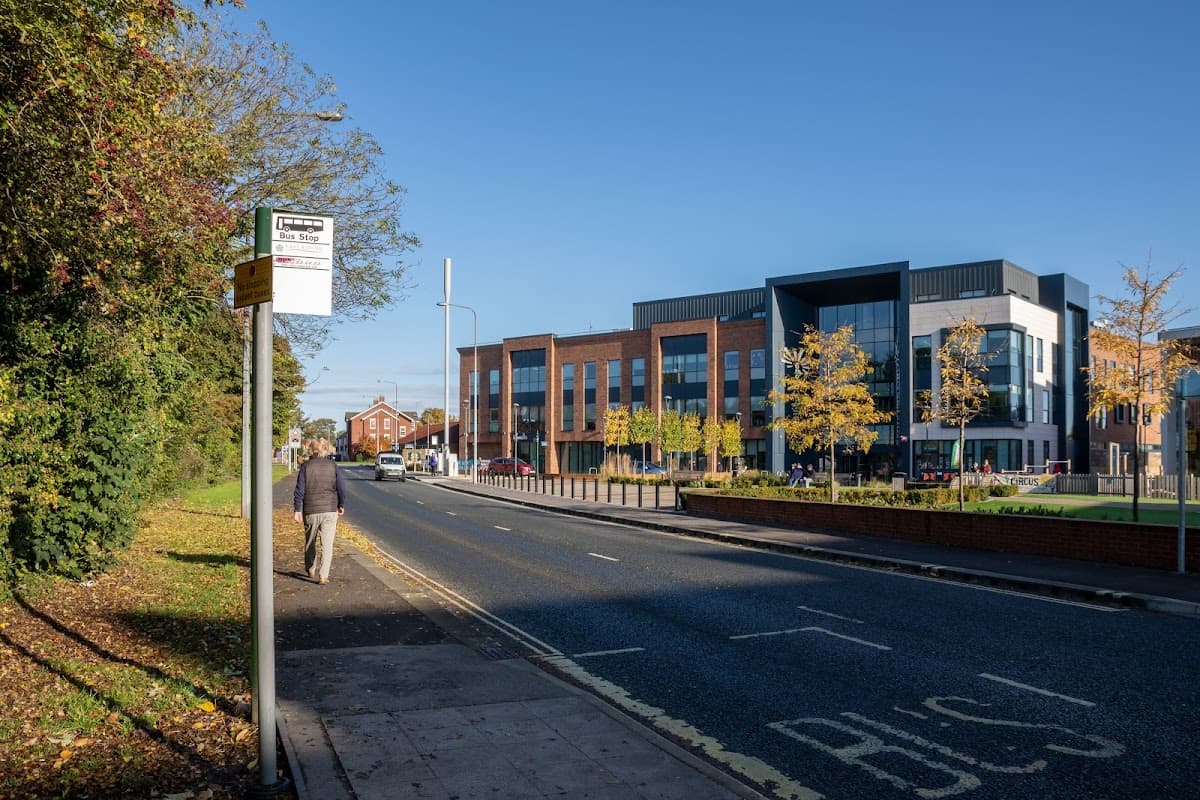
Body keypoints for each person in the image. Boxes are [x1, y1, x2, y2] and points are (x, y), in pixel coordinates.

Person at [293, 438, 345, 585]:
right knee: (327, 545)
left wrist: (297, 509)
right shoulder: (332, 466)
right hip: (329, 509)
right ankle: (324, 576)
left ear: (311, 451)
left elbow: (299, 490)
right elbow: (341, 488)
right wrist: (341, 504)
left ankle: (311, 568)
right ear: (324, 451)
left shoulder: (305, 467)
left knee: (310, 541)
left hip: (310, 510)